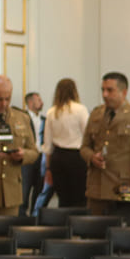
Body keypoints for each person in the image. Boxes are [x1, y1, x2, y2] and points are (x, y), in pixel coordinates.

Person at [80, 72, 130, 220]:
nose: (105, 94)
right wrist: (91, 157)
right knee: (93, 237)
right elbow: (84, 147)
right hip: (97, 188)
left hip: (122, 188)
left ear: (124, 92)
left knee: (119, 238)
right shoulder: (96, 114)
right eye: (103, 90)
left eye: (110, 90)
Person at [40, 77, 90, 209]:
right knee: (80, 198)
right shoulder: (80, 109)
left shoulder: (51, 112)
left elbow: (47, 146)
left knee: (64, 199)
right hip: (77, 157)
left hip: (58, 158)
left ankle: (64, 227)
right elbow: (88, 135)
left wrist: (48, 169)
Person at [0, 76, 37, 215]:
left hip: (11, 192)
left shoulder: (22, 118)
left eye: (7, 99)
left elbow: (34, 151)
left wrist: (22, 155)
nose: (3, 103)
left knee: (7, 235)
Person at [18, 91, 44, 216]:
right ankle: (21, 219)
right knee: (24, 190)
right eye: (38, 100)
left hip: (41, 158)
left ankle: (35, 218)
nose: (42, 102)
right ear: (30, 102)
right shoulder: (22, 117)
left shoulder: (45, 119)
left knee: (39, 190)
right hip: (27, 158)